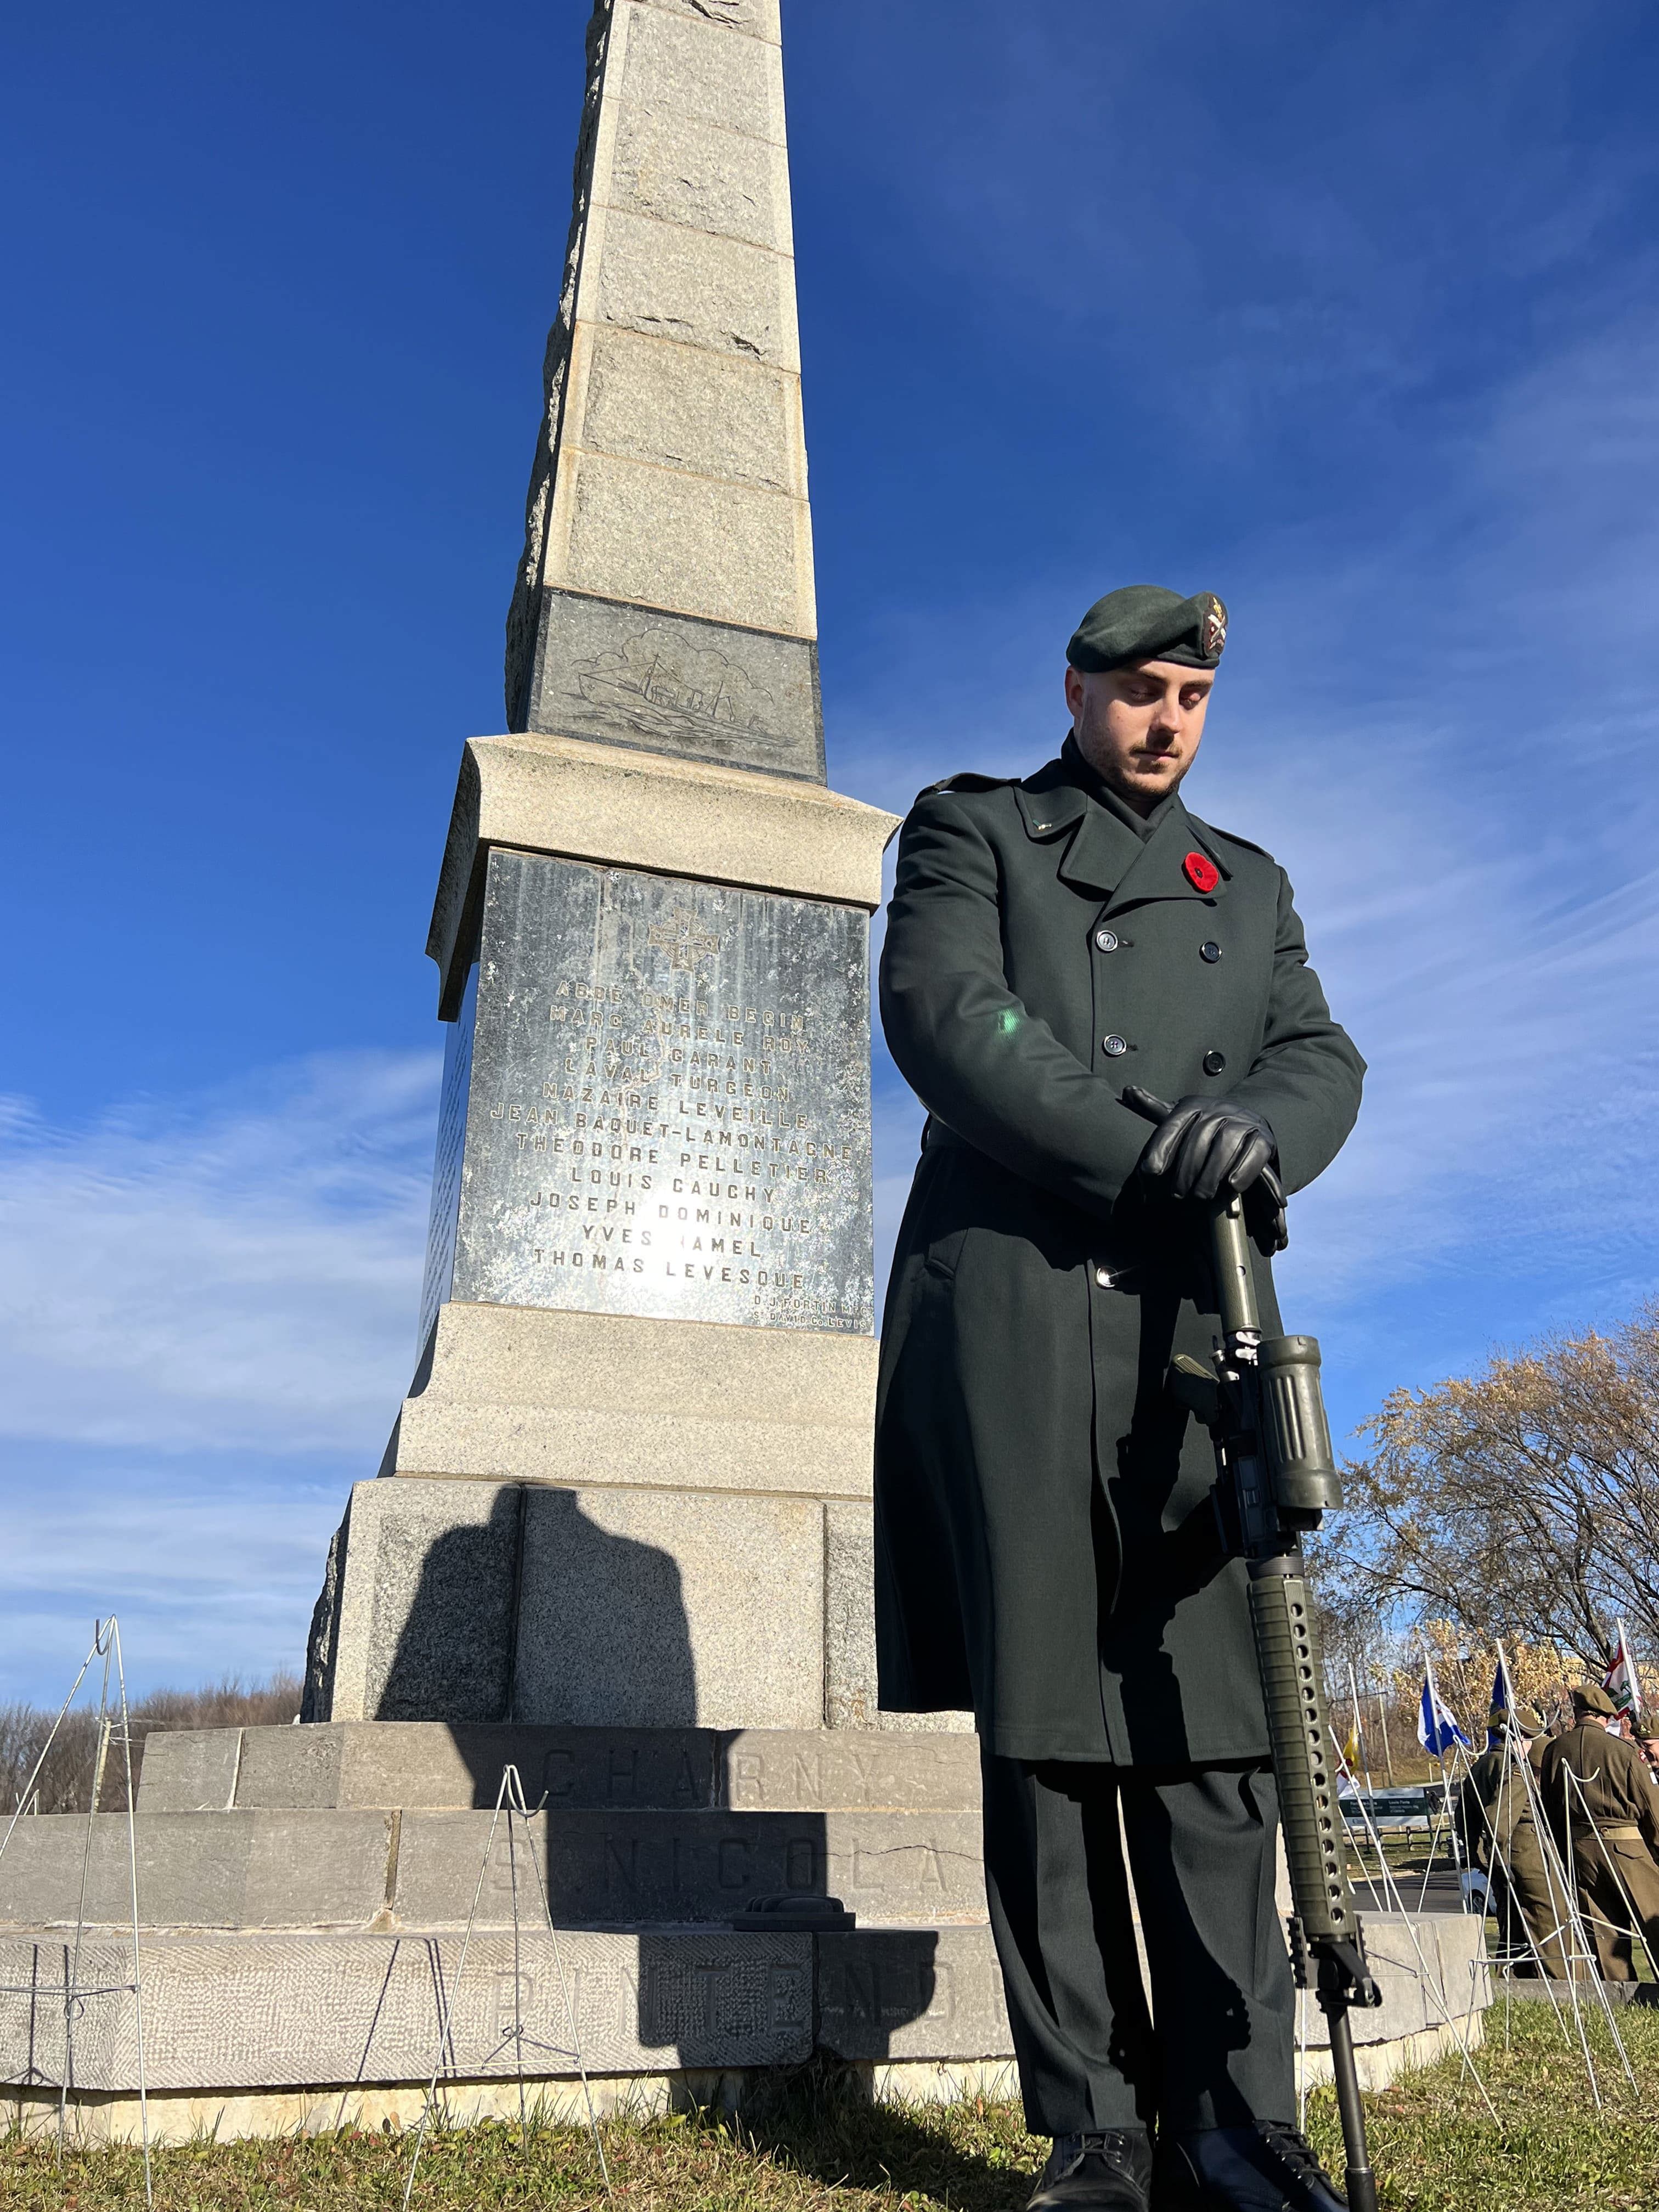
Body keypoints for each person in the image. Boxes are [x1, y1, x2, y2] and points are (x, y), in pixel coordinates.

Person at [876, 586, 1365, 2211]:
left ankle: (1237, 2121)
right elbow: (949, 1016)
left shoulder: (1252, 881)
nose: (1167, 723)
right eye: (1140, 691)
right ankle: (1090, 2129)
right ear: (1078, 692)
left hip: (1192, 1315)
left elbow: (1320, 1053)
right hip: (1017, 1309)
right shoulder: (978, 831)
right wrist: (1147, 1148)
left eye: (1193, 696)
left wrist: (1260, 1143)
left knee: (1220, 1721)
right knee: (1048, 1728)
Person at [1539, 1684, 1659, 1979]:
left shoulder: (1554, 1751)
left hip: (1580, 1852)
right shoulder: (1624, 1751)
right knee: (1655, 1921)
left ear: (1577, 1713)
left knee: (1603, 1932)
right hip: (1627, 1848)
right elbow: (1651, 1811)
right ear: (1606, 1716)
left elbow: (1550, 1808)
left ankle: (1618, 1994)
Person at [1457, 1712, 1571, 1977]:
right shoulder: (1514, 1769)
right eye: (1529, 1738)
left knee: (1513, 1930)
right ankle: (1563, 1984)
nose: (1531, 1744)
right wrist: (1500, 1860)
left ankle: (1514, 1984)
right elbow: (1500, 1823)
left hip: (1501, 1865)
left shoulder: (1480, 1767)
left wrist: (1482, 1861)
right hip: (1527, 1859)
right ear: (1518, 1737)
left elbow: (1463, 1819)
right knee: (1550, 1923)